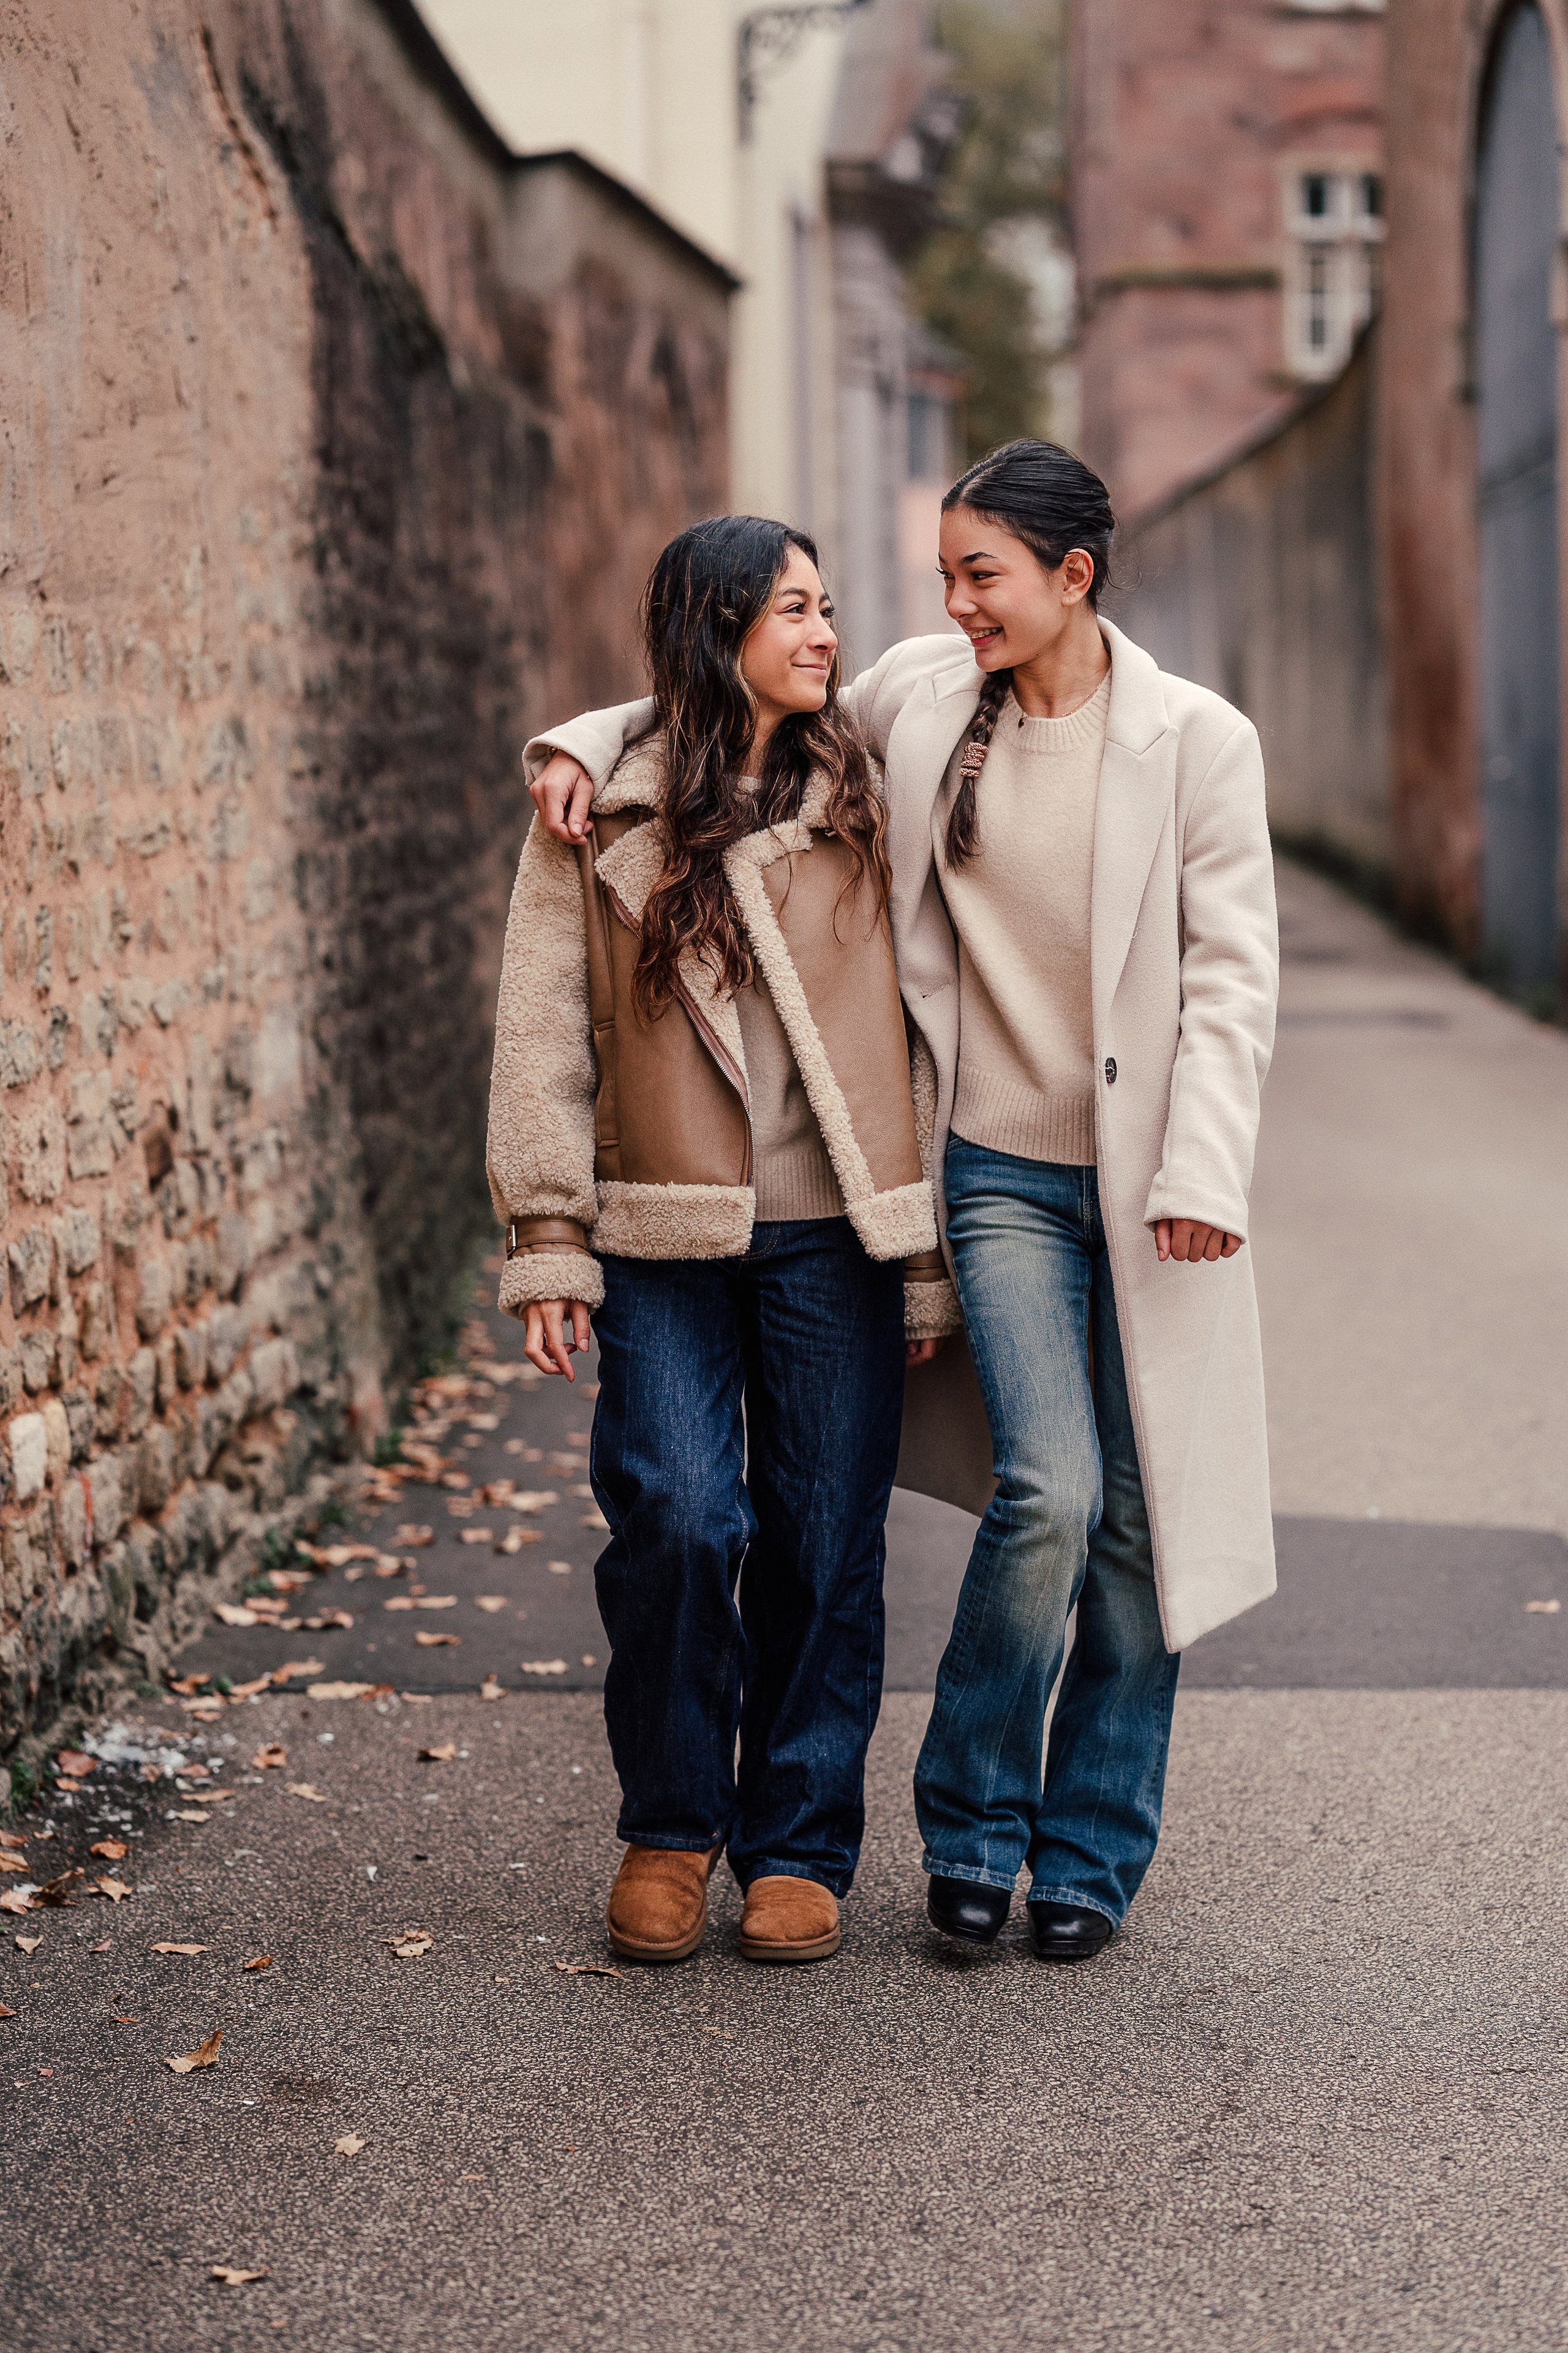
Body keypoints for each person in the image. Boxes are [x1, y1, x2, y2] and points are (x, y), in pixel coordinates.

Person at [529, 441, 1279, 1965]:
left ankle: (1082, 1850)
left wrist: (1202, 1165)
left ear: (1071, 576)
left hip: (1149, 1184)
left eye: (976, 575)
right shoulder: (926, 702)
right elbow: (711, 690)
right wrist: (566, 737)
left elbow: (1229, 976)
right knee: (1046, 1494)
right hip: (989, 1166)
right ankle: (962, 1820)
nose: (944, 605)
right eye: (938, 577)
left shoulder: (1198, 741)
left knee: (1136, 1534)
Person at [486, 515, 956, 1970]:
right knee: (680, 1520)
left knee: (824, 1542)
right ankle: (672, 1827)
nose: (825, 634)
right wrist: (548, 1238)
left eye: (827, 607)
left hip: (838, 1234)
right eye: (791, 611)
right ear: (716, 631)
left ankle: (799, 1844)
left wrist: (922, 1248)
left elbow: (926, 1029)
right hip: (657, 1235)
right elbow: (541, 1033)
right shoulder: (598, 814)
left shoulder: (868, 779)